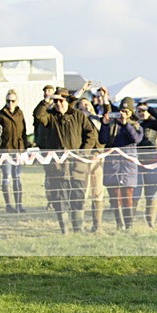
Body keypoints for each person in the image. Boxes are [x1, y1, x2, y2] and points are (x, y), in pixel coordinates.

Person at [33, 87, 99, 233]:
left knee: (78, 196)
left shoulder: (78, 115)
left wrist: (84, 152)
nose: (58, 103)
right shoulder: (50, 117)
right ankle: (65, 230)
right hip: (58, 165)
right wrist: (46, 101)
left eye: (60, 100)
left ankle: (78, 229)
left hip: (77, 165)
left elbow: (91, 134)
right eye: (55, 101)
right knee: (59, 198)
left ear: (67, 101)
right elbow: (38, 116)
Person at [99, 97, 143, 231]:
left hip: (128, 165)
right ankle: (119, 224)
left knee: (127, 195)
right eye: (121, 111)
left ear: (131, 112)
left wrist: (125, 124)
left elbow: (135, 139)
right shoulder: (113, 125)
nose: (123, 114)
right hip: (112, 164)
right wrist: (105, 124)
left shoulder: (135, 125)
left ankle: (128, 225)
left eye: (126, 111)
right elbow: (103, 140)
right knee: (114, 196)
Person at [133, 102, 157, 227]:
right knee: (134, 195)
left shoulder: (154, 124)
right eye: (139, 111)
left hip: (152, 162)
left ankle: (150, 223)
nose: (142, 113)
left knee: (151, 195)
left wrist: (149, 108)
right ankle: (129, 223)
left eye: (144, 111)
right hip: (135, 163)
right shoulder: (132, 124)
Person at [75, 97, 105, 232]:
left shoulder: (97, 119)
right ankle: (79, 225)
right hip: (83, 158)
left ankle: (96, 225)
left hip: (98, 157)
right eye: (81, 107)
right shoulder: (77, 121)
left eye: (86, 105)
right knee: (83, 191)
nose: (84, 108)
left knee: (98, 191)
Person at [0, 89, 29, 213]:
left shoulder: (20, 114)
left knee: (17, 178)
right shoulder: (0, 115)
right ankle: (8, 205)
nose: (10, 103)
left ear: (16, 101)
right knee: (6, 177)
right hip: (5, 151)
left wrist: (24, 148)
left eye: (12, 101)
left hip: (18, 151)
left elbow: (23, 132)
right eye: (8, 101)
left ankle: (19, 205)